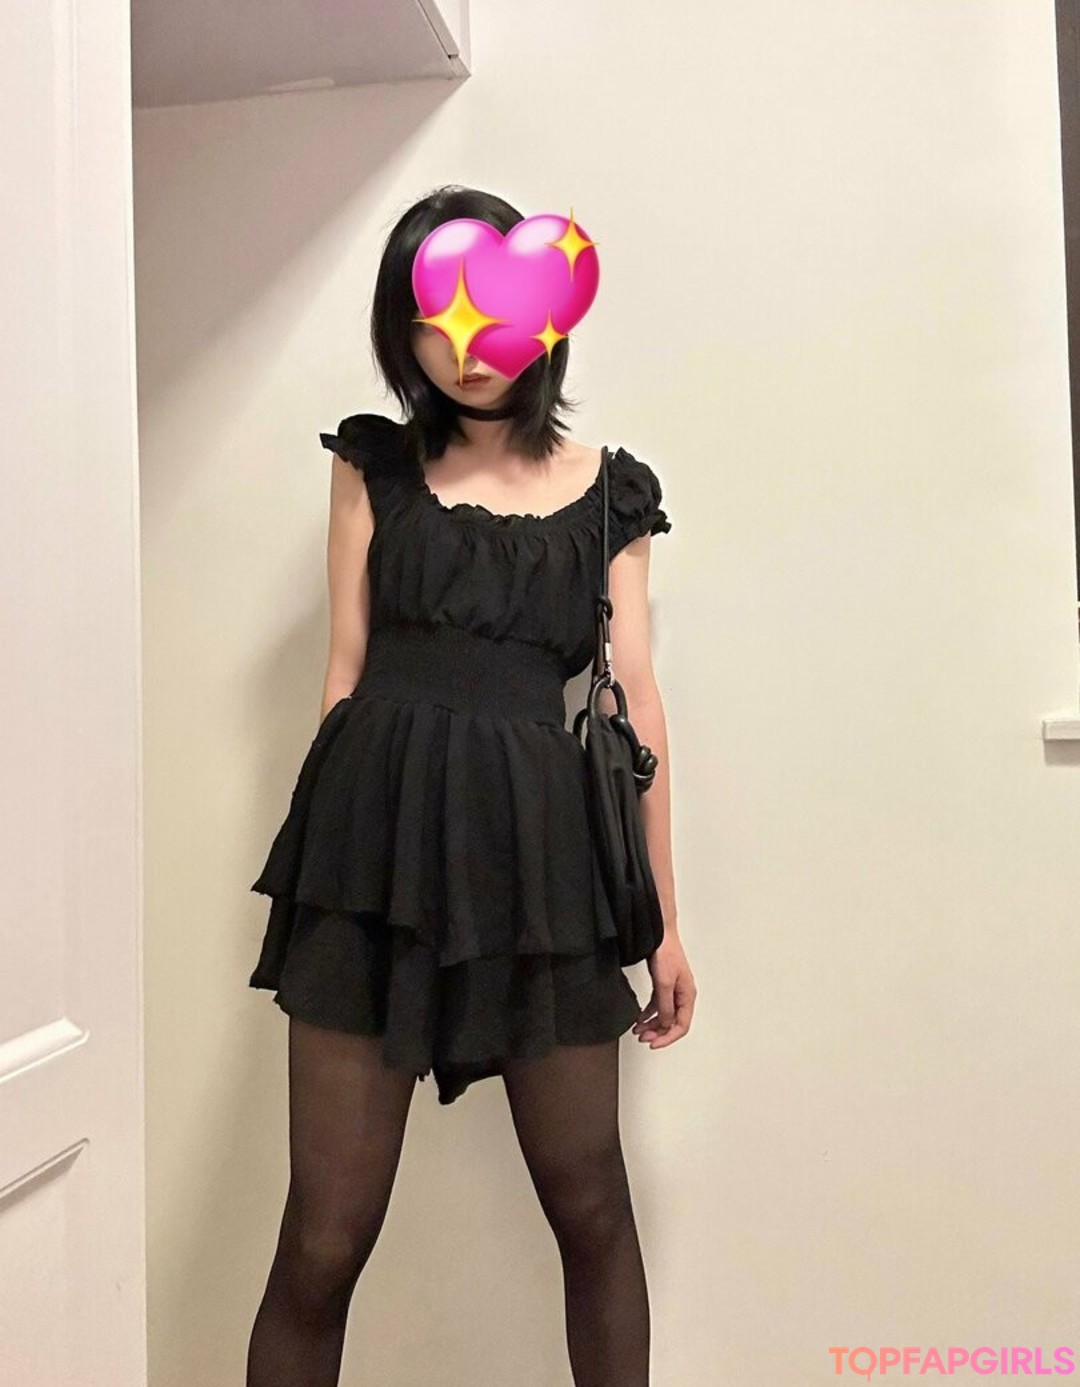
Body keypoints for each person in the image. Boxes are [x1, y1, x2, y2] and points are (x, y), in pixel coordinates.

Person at [244, 184, 697, 1387]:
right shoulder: (373, 466)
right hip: (373, 856)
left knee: (591, 1207)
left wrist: (662, 923)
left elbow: (638, 708)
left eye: (489, 316)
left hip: (543, 866)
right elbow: (344, 674)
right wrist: (331, 872)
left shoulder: (611, 490)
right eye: (434, 319)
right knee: (323, 1236)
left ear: (545, 315)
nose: (465, 347)